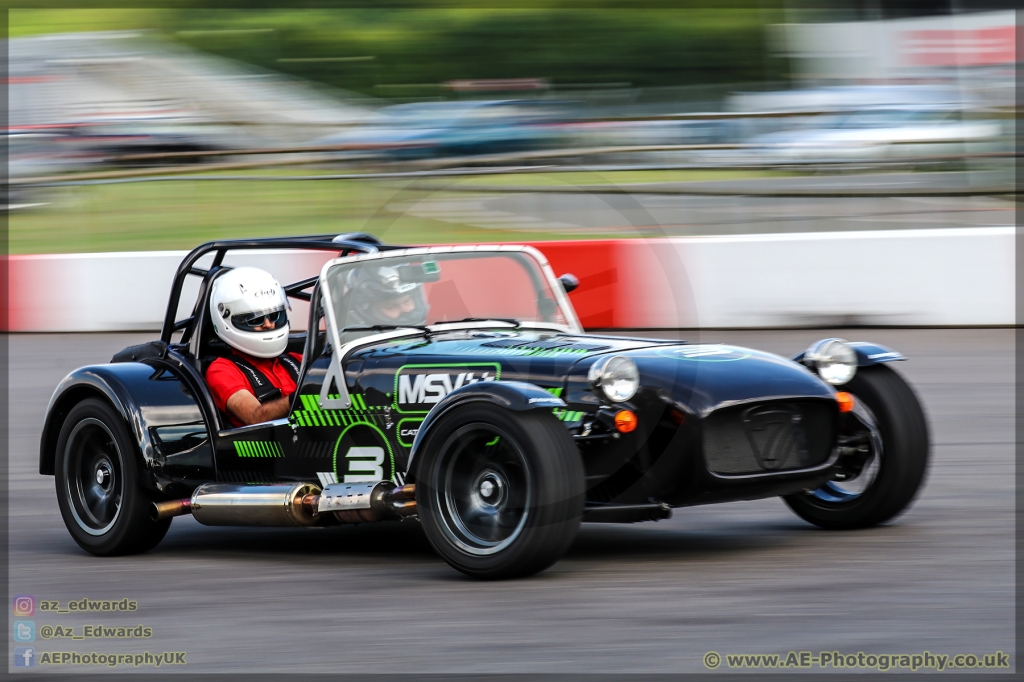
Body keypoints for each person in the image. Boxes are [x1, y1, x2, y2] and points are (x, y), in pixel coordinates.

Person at [205, 267, 303, 427]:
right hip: (272, 448)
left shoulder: (296, 360)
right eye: (254, 319)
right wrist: (304, 397)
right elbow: (255, 417)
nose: (268, 325)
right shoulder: (222, 370)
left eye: (273, 316)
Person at [339, 264, 429, 329]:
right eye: (391, 307)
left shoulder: (429, 332)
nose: (406, 310)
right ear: (365, 309)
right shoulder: (353, 340)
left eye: (407, 301)